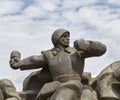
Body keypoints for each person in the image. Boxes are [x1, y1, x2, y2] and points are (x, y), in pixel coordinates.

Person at [9, 29, 106, 100]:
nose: (68, 38)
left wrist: (87, 45)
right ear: (57, 39)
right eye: (64, 36)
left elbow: (101, 50)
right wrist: (18, 63)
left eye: (68, 36)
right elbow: (33, 60)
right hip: (54, 86)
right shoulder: (49, 54)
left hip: (73, 84)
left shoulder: (77, 51)